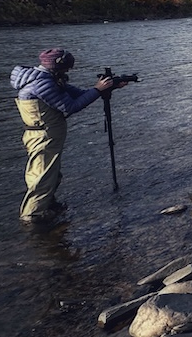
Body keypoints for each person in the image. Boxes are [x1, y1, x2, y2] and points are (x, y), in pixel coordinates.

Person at [10, 49, 122, 222]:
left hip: (45, 134)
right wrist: (97, 90)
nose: (68, 71)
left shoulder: (47, 79)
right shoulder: (43, 84)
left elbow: (79, 94)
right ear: (57, 66)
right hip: (43, 136)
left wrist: (108, 86)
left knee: (50, 173)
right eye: (67, 67)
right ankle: (33, 216)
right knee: (43, 176)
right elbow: (70, 106)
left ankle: (48, 205)